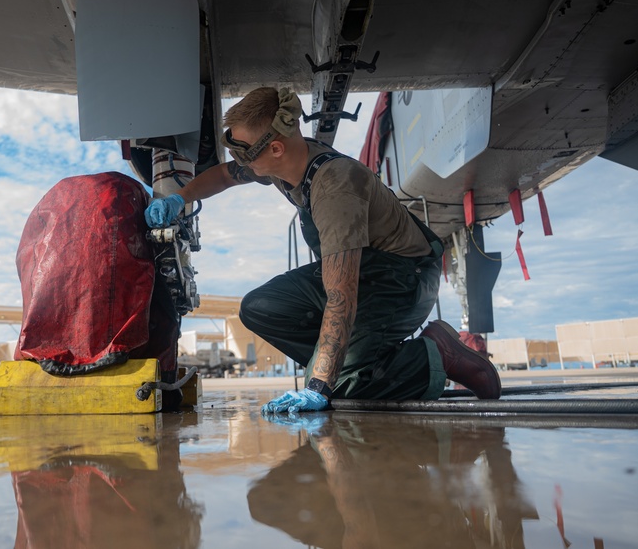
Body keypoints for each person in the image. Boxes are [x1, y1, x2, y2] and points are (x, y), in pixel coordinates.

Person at [144, 87, 500, 413]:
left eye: (243, 152)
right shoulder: (280, 165)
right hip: (367, 274)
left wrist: (319, 384)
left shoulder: (334, 188)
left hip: (403, 282)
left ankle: (434, 353)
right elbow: (224, 175)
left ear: (275, 148)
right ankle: (351, 363)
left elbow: (341, 295)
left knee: (342, 388)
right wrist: (181, 198)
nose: (240, 161)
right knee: (259, 308)